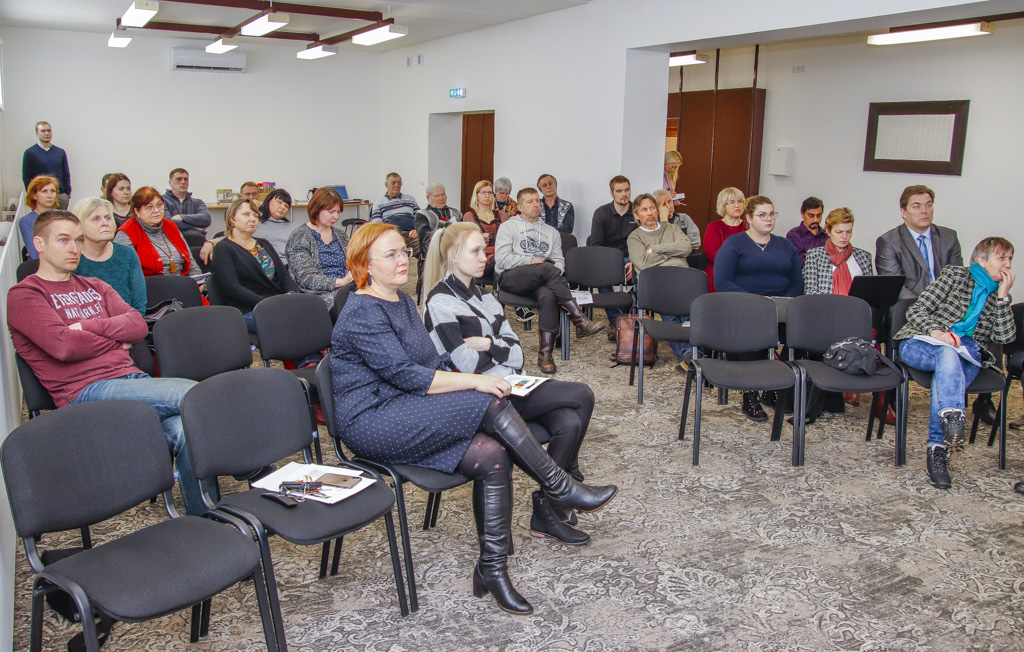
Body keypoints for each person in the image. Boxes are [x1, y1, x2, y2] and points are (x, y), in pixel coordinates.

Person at [330, 222, 617, 615]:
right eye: (392, 255)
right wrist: (475, 381)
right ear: (365, 263)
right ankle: (558, 485)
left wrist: (476, 372)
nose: (403, 260)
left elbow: (430, 363)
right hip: (372, 418)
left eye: (404, 252)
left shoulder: (400, 302)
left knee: (492, 453)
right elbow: (405, 375)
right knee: (486, 399)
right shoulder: (361, 309)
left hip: (406, 405)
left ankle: (492, 569)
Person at [6, 211, 210, 514]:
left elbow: (138, 327)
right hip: (84, 393)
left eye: (77, 240)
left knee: (184, 428)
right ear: (39, 243)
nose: (74, 248)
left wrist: (87, 328)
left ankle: (205, 517)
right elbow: (63, 347)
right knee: (194, 394)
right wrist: (115, 338)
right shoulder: (25, 295)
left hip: (131, 381)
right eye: (63, 240)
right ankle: (251, 468)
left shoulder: (93, 285)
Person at [422, 222, 598, 544]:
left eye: (484, 251)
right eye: (475, 251)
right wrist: (497, 349)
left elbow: (517, 353)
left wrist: (488, 344)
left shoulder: (486, 296)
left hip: (510, 383)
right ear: (452, 255)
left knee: (569, 421)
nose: (484, 259)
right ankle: (566, 488)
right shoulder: (440, 303)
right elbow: (464, 364)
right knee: (581, 394)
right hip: (481, 398)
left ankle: (547, 509)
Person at [894, 237, 1015, 489]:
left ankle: (941, 444)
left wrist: (1003, 298)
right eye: (1001, 258)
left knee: (947, 373)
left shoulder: (997, 295)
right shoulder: (955, 276)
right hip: (922, 342)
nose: (1007, 264)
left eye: (1010, 259)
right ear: (982, 260)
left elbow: (1005, 338)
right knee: (947, 355)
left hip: (966, 354)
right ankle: (946, 431)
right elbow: (916, 311)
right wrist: (937, 332)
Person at [494, 188, 605, 373]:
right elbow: (502, 260)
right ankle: (579, 319)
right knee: (546, 267)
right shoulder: (508, 227)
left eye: (537, 201)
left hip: (541, 281)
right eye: (529, 202)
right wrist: (531, 261)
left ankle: (545, 354)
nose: (535, 204)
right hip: (512, 277)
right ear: (519, 207)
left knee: (548, 295)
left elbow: (559, 262)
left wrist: (550, 271)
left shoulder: (551, 232)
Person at [714, 195, 803, 422]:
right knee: (749, 333)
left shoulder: (785, 245)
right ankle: (750, 394)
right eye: (762, 215)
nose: (769, 219)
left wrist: (782, 300)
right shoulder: (735, 244)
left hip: (780, 306)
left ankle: (775, 387)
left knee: (802, 337)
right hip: (745, 307)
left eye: (772, 214)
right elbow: (722, 281)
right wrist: (755, 300)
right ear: (749, 218)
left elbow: (797, 281)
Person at [211, 198, 297, 333]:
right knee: (290, 324)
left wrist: (291, 294)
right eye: (246, 214)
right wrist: (268, 303)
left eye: (255, 216)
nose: (252, 219)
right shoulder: (224, 248)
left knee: (306, 318)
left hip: (276, 303)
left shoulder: (263, 243)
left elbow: (284, 274)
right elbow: (233, 288)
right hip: (247, 308)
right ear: (232, 219)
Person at [627, 193, 692, 366]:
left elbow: (686, 248)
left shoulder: (672, 229)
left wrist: (655, 249)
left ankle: (692, 354)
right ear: (636, 215)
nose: (649, 212)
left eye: (652, 208)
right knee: (670, 314)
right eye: (644, 209)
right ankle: (688, 355)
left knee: (689, 314)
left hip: (681, 280)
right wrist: (672, 255)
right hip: (657, 284)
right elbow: (643, 263)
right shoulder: (635, 237)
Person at [876, 185, 963, 301]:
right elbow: (895, 287)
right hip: (908, 307)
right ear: (904, 212)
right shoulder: (889, 242)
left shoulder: (949, 237)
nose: (924, 211)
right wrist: (923, 307)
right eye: (917, 207)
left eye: (928, 205)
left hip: (945, 306)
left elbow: (957, 278)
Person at [73, 197, 147, 315]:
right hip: (86, 329)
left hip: (126, 326)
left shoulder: (127, 254)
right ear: (80, 225)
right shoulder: (72, 257)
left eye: (107, 217)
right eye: (96, 219)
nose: (105, 223)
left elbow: (139, 306)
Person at [285, 187, 353, 311]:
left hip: (345, 289)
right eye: (331, 212)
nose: (336, 217)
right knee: (354, 306)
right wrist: (341, 282)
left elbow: (352, 263)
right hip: (318, 295)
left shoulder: (341, 235)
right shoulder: (300, 236)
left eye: (338, 212)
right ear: (316, 210)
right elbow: (305, 277)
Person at [113, 187, 204, 279]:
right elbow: (124, 274)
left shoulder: (170, 226)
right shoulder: (126, 233)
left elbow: (191, 263)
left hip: (182, 284)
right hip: (150, 288)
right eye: (149, 207)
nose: (156, 210)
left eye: (159, 205)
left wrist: (198, 282)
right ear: (137, 211)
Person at [590, 175, 637, 331]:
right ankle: (617, 322)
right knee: (601, 273)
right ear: (612, 193)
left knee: (645, 274)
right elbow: (597, 246)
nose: (624, 194)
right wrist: (612, 262)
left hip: (632, 259)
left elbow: (645, 241)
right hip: (608, 259)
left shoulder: (637, 212)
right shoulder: (601, 213)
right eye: (619, 191)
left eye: (627, 190)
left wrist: (635, 261)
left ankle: (624, 313)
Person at [802, 208, 874, 295]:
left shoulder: (864, 256)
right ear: (828, 231)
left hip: (856, 307)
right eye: (839, 232)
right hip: (825, 307)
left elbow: (869, 293)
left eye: (849, 231)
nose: (844, 236)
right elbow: (810, 293)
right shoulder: (815, 256)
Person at [462, 180, 508, 280]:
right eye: (483, 192)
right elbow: (470, 240)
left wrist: (486, 236)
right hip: (479, 256)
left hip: (500, 254)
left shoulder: (502, 215)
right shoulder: (469, 216)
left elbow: (507, 237)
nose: (487, 196)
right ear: (476, 195)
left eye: (490, 193)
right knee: (498, 261)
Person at [703, 187, 747, 293]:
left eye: (740, 201)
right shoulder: (714, 226)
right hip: (720, 270)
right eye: (731, 202)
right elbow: (713, 254)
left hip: (746, 271)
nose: (737, 205)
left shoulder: (749, 226)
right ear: (723, 206)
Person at [22, 121, 71, 210]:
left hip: (60, 195)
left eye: (49, 131)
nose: (47, 133)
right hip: (41, 197)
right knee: (43, 222)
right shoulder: (30, 153)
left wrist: (67, 193)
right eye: (43, 131)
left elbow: (66, 173)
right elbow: (26, 177)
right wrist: (33, 194)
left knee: (60, 222)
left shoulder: (60, 152)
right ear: (37, 133)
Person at [371, 172, 420, 257]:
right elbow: (376, 224)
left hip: (411, 234)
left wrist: (417, 230)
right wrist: (391, 233)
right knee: (394, 252)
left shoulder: (410, 199)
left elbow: (420, 218)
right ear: (386, 185)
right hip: (393, 235)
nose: (397, 185)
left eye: (399, 182)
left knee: (425, 246)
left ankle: (422, 270)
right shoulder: (379, 202)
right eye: (393, 182)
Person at [17, 175, 59, 259]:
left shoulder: (64, 216)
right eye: (44, 191)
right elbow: (35, 254)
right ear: (34, 195)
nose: (50, 195)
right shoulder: (26, 221)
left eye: (53, 191)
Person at [161, 168, 212, 235]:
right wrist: (193, 226)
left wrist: (181, 217)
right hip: (173, 242)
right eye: (179, 179)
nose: (183, 182)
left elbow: (206, 219)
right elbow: (168, 223)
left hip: (198, 241)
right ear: (170, 182)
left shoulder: (197, 202)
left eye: (186, 179)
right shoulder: (162, 201)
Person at [415, 182, 463, 252]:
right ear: (428, 198)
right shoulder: (422, 214)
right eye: (437, 196)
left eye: (443, 195)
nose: (441, 198)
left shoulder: (456, 213)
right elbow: (425, 235)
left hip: (455, 252)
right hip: (431, 253)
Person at [785, 197, 828, 265]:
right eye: (811, 216)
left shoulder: (826, 236)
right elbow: (800, 262)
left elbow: (831, 261)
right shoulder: (794, 235)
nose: (815, 220)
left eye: (819, 215)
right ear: (802, 214)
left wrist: (808, 255)